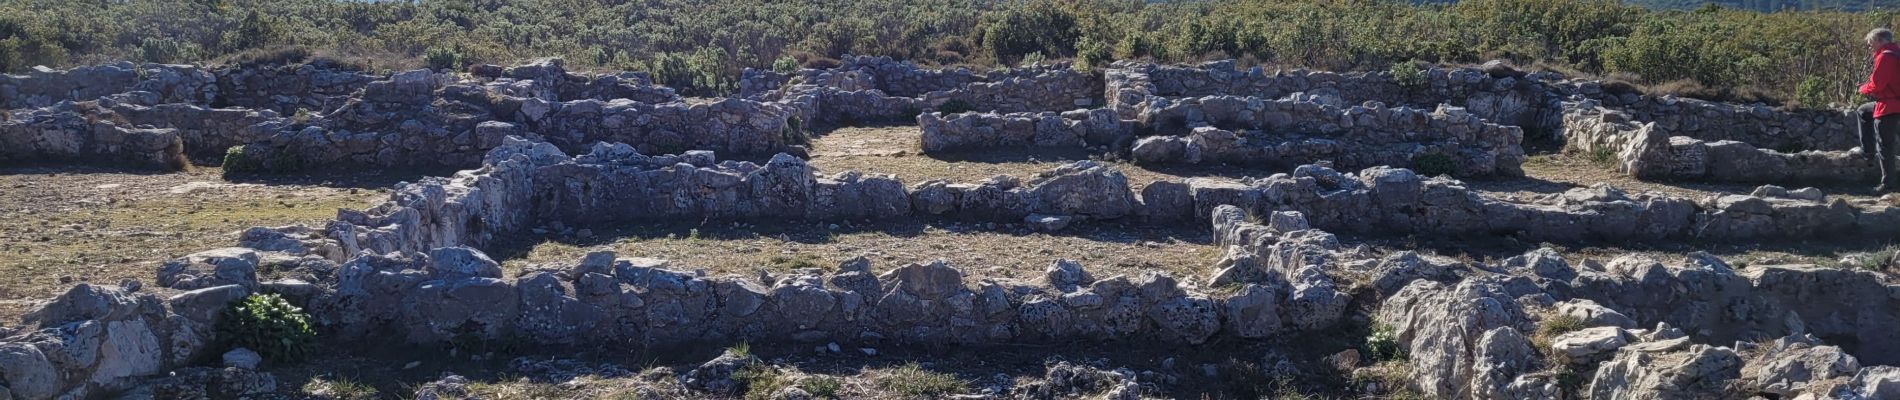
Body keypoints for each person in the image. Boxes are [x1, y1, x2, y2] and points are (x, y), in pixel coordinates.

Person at [1858, 28, 1900, 192]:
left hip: (1889, 106)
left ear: (1881, 41)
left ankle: (1887, 185)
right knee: (1863, 111)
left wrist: (1863, 89)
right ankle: (1868, 151)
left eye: (1871, 43)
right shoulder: (1897, 53)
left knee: (1885, 147)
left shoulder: (1886, 57)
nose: (1870, 47)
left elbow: (1877, 85)